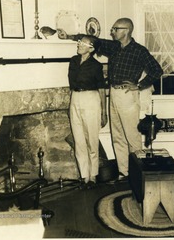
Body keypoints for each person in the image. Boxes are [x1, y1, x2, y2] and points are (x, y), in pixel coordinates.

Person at [59, 18, 163, 180]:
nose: (112, 31)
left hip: (127, 95)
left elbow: (157, 70)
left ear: (126, 31)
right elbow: (94, 41)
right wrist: (69, 36)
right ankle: (124, 173)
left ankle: (138, 175)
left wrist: (139, 85)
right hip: (113, 94)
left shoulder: (139, 51)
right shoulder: (114, 47)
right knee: (118, 136)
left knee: (132, 137)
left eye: (116, 29)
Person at [68, 36, 108, 189]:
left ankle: (93, 176)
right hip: (75, 98)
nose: (79, 44)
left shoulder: (96, 66)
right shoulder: (73, 61)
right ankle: (84, 177)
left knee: (92, 139)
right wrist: (70, 104)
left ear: (91, 48)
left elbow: (102, 90)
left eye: (82, 43)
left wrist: (103, 112)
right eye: (79, 42)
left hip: (91, 99)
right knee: (79, 140)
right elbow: (71, 86)